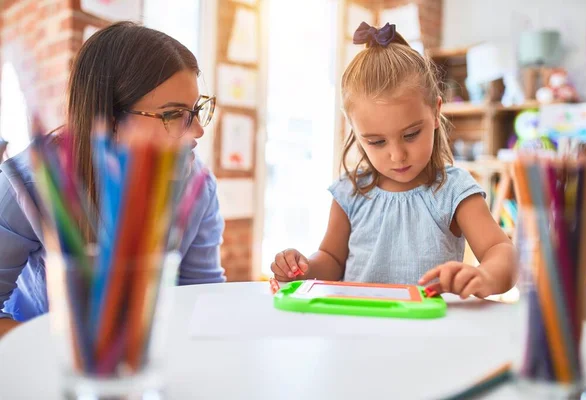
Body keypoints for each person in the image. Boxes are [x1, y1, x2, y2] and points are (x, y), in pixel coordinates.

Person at [0, 21, 226, 337]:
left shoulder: (197, 185)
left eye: (197, 109)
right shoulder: (27, 185)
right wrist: (60, 354)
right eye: (174, 114)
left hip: (149, 360)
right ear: (107, 117)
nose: (198, 130)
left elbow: (202, 297)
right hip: (48, 366)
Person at [271, 22, 517, 299]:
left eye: (411, 134)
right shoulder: (349, 192)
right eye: (376, 142)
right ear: (354, 129)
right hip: (358, 330)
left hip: (428, 335)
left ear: (436, 112)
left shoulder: (454, 191)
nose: (397, 155)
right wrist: (301, 269)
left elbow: (501, 252)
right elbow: (331, 259)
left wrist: (484, 275)